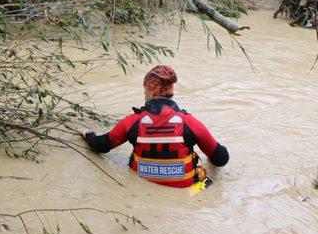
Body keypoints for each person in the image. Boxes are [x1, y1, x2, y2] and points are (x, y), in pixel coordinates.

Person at [83, 65, 228, 189]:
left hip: (140, 187)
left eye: (145, 89)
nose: (144, 93)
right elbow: (221, 159)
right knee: (208, 182)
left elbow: (100, 146)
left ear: (151, 91)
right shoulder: (190, 123)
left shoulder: (131, 122)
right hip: (187, 192)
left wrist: (87, 134)